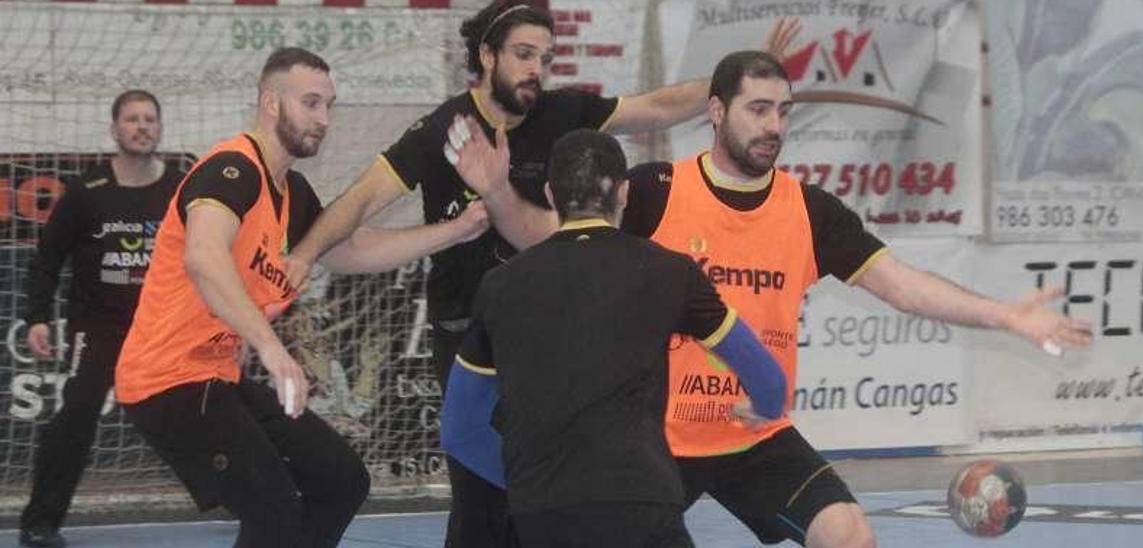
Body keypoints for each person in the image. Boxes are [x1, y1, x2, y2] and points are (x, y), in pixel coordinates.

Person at [456, 50, 1094, 547]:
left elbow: (900, 286)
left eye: (784, 111)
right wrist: (496, 193)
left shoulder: (808, 211)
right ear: (715, 111)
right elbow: (558, 244)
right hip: (654, 444)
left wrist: (1005, 314)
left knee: (850, 533)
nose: (774, 125)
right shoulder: (656, 191)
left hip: (754, 435)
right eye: (758, 109)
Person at [282, 2, 797, 545]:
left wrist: (740, 82)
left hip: (558, 335)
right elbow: (361, 199)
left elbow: (659, 106)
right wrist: (303, 255)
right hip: (471, 332)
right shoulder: (445, 129)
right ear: (487, 55)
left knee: (568, 484)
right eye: (524, 55)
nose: (536, 69)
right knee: (482, 497)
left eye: (545, 58)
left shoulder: (562, 113)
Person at [440, 129, 788, 548]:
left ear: (551, 195)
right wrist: (764, 407)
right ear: (623, 193)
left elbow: (460, 429)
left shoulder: (500, 285)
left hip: (541, 514)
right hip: (638, 500)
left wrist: (528, 480)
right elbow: (766, 377)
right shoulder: (670, 273)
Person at [111, 48, 394, 547]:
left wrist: (457, 229)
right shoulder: (232, 170)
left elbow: (352, 248)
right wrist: (269, 346)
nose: (322, 118)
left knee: (342, 480)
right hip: (164, 379)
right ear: (270, 102)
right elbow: (203, 256)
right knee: (273, 509)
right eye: (310, 103)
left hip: (217, 374)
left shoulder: (293, 192)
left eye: (329, 105)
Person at [17, 90, 184, 548]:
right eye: (132, 119)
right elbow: (48, 257)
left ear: (160, 128)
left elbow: (208, 258)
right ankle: (40, 521)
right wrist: (37, 317)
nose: (142, 126)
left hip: (163, 325)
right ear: (115, 130)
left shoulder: (179, 190)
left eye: (150, 118)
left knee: (207, 406)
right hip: (98, 326)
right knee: (76, 414)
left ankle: (246, 496)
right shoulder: (87, 191)